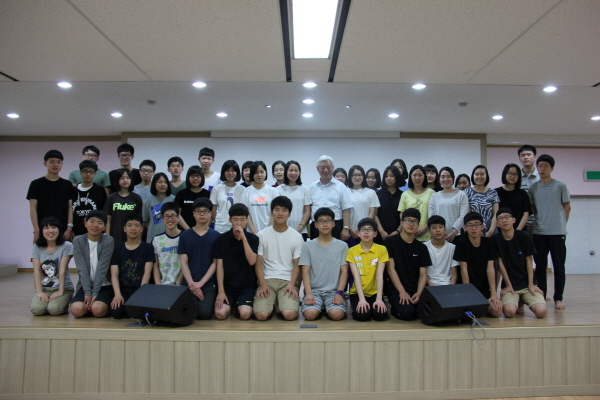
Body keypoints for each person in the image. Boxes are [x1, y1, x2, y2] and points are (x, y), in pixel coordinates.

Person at [529, 154, 571, 310]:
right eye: (540, 166)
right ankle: (542, 295)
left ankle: (558, 298)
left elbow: (567, 207)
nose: (542, 169)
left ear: (552, 168)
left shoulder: (560, 186)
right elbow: (533, 208)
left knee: (559, 267)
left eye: (546, 166)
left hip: (557, 233)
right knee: (540, 267)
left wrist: (561, 224)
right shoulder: (533, 188)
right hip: (539, 232)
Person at [253, 196, 304, 321]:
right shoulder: (261, 235)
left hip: (287, 280)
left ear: (289, 214)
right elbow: (258, 264)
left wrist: (292, 284)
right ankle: (273, 303)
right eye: (277, 209)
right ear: (271, 212)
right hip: (267, 280)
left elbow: (297, 265)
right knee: (261, 315)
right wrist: (263, 284)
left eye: (284, 210)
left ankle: (281, 303)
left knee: (289, 314)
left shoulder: (297, 237)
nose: (280, 213)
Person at [493, 208, 546, 318]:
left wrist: (531, 284)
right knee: (509, 312)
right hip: (511, 285)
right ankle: (518, 300)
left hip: (527, 284)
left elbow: (529, 261)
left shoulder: (524, 236)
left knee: (541, 312)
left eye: (507, 217)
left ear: (514, 220)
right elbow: (500, 263)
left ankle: (524, 299)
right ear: (497, 223)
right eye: (501, 218)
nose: (504, 220)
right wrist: (508, 285)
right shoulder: (495, 239)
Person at [301, 207, 348, 321]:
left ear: (333, 223)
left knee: (336, 314)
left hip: (334, 291)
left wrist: (339, 293)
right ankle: (320, 307)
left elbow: (344, 271)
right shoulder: (307, 246)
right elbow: (305, 271)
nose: (325, 224)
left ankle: (327, 307)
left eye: (328, 221)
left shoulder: (342, 246)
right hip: (314, 291)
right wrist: (309, 294)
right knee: (310, 314)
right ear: (316, 225)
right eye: (321, 221)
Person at [384, 208, 431, 321]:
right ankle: (395, 309)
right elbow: (390, 269)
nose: (411, 224)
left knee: (426, 312)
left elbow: (423, 275)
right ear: (402, 223)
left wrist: (419, 293)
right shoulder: (390, 242)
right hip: (396, 288)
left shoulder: (422, 248)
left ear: (418, 225)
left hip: (414, 288)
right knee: (407, 313)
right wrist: (402, 292)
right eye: (408, 220)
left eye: (415, 221)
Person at [214, 203, 259, 320]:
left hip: (247, 286)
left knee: (245, 314)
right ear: (230, 220)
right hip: (227, 287)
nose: (239, 223)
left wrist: (243, 238)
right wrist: (221, 291)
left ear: (247, 220)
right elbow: (219, 266)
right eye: (235, 219)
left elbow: (252, 261)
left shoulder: (253, 239)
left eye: (242, 219)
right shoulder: (221, 239)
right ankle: (232, 304)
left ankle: (238, 305)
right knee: (220, 314)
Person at [453, 212, 503, 317]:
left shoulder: (489, 243)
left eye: (477, 225)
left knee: (497, 311)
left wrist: (494, 294)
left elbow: (490, 268)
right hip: (467, 288)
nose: (474, 228)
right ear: (465, 228)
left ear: (482, 227)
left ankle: (478, 308)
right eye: (470, 225)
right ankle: (477, 307)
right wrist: (468, 293)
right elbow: (464, 270)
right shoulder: (461, 243)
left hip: (484, 288)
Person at [178, 198, 220, 320]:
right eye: (198, 211)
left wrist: (200, 284)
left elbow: (215, 263)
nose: (202, 214)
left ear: (210, 213)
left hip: (208, 284)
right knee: (188, 311)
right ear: (193, 214)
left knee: (205, 313)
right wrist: (192, 284)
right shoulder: (185, 236)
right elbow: (183, 262)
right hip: (189, 283)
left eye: (205, 211)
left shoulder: (216, 236)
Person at [70, 211, 115, 318]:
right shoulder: (78, 240)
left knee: (97, 310)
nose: (95, 225)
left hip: (104, 285)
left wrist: (94, 294)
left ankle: (96, 306)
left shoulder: (108, 240)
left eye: (100, 223)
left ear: (104, 227)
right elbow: (82, 269)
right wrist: (87, 292)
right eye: (92, 221)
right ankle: (88, 306)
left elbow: (102, 269)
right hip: (85, 285)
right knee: (76, 310)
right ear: (85, 223)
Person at [109, 214, 154, 319]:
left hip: (140, 289)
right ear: (124, 229)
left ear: (142, 229)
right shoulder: (118, 249)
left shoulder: (148, 248)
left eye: (136, 225)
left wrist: (140, 294)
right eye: (129, 225)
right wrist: (117, 294)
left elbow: (147, 272)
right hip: (124, 290)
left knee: (142, 313)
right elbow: (114, 274)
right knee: (116, 313)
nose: (133, 228)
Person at [30, 216, 74, 316]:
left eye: (54, 227)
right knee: (37, 310)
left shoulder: (67, 246)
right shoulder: (37, 247)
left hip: (64, 287)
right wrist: (39, 292)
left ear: (59, 229)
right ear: (42, 231)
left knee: (54, 310)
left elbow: (62, 270)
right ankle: (43, 303)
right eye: (46, 228)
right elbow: (36, 271)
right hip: (44, 288)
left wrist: (60, 291)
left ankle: (60, 303)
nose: (50, 231)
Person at [27, 149, 74, 243]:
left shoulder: (67, 184)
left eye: (58, 162)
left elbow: (70, 207)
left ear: (62, 164)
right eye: (52, 162)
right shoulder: (36, 184)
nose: (55, 165)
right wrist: (37, 230)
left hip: (63, 230)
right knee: (41, 252)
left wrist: (69, 228)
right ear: (45, 163)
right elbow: (33, 208)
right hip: (43, 229)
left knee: (64, 252)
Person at [346, 218, 388, 321]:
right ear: (358, 233)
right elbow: (356, 276)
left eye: (369, 229)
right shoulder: (352, 251)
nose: (366, 232)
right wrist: (361, 299)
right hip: (357, 292)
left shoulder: (382, 249)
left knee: (380, 316)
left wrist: (379, 299)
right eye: (363, 229)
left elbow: (380, 275)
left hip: (375, 292)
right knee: (362, 316)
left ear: (375, 234)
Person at [308, 156, 353, 241]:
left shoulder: (341, 187)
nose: (326, 170)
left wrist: (346, 228)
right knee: (316, 249)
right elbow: (308, 209)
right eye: (322, 167)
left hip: (335, 226)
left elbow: (346, 209)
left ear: (333, 168)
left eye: (328, 167)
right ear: (317, 169)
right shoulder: (311, 187)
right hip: (316, 226)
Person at [103, 169, 143, 247]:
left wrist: (139, 237)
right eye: (122, 178)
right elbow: (108, 218)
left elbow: (139, 219)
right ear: (117, 180)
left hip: (132, 235)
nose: (125, 180)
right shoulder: (111, 198)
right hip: (115, 235)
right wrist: (107, 236)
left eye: (128, 178)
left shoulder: (136, 198)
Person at [428, 166, 469, 243]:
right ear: (439, 179)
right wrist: (439, 232)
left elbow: (463, 215)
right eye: (443, 177)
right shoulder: (434, 196)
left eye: (448, 176)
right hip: (438, 235)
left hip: (457, 235)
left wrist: (454, 232)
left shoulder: (461, 195)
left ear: (453, 178)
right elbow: (431, 216)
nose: (445, 179)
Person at [241, 161, 280, 234]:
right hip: (251, 233)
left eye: (262, 172)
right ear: (252, 174)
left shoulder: (273, 191)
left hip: (270, 232)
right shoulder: (246, 192)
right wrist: (254, 232)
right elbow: (245, 213)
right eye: (256, 172)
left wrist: (268, 231)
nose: (259, 175)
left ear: (266, 173)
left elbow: (276, 212)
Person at [398, 165, 434, 241]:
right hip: (409, 235)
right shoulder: (405, 194)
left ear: (424, 177)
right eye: (414, 175)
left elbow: (434, 213)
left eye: (420, 175)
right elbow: (402, 213)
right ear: (410, 177)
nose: (417, 178)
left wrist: (425, 228)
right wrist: (409, 227)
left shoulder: (431, 193)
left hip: (427, 235)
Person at [72, 160, 108, 237]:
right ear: (80, 172)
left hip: (95, 231)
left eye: (91, 172)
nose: (88, 174)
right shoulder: (73, 190)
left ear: (95, 173)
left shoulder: (100, 190)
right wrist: (70, 229)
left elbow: (104, 211)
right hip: (76, 231)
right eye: (85, 171)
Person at [276, 160, 311, 240]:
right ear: (286, 172)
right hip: (282, 230)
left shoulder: (304, 189)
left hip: (301, 231)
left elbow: (307, 211)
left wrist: (300, 227)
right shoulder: (278, 189)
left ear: (299, 172)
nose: (293, 173)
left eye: (296, 171)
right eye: (291, 170)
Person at [347, 165, 380, 246]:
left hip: (366, 233)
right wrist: (350, 229)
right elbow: (344, 213)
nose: (357, 178)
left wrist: (363, 230)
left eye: (360, 175)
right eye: (355, 175)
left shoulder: (370, 192)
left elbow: (372, 213)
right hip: (351, 232)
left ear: (363, 177)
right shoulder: (345, 192)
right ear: (350, 177)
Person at [210, 160, 246, 233]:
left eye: (233, 171)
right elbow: (213, 208)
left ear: (237, 172)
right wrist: (217, 221)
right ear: (223, 172)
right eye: (227, 170)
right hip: (220, 227)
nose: (230, 173)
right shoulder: (217, 188)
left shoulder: (242, 189)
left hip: (238, 226)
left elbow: (245, 210)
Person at [464, 165, 500, 238]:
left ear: (486, 176)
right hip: (473, 230)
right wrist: (477, 230)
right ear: (473, 176)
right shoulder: (466, 192)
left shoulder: (493, 193)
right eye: (477, 174)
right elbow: (467, 214)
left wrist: (490, 231)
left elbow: (496, 214)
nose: (479, 177)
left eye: (482, 174)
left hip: (490, 229)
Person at [152, 202, 183, 285]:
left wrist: (178, 283)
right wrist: (158, 284)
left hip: (180, 285)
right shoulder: (156, 239)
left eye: (173, 216)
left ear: (178, 217)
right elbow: (155, 265)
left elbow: (187, 263)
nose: (170, 219)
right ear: (162, 218)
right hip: (162, 286)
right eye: (166, 216)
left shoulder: (185, 237)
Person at [495, 163, 532, 231]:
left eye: (515, 174)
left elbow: (526, 214)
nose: (512, 176)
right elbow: (495, 213)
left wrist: (517, 231)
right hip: (501, 231)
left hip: (520, 230)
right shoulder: (496, 192)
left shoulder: (522, 193)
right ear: (505, 174)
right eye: (510, 173)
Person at [424, 216, 458, 286]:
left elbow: (454, 274)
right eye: (434, 228)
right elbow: (423, 273)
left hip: (448, 285)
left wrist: (451, 288)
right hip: (430, 285)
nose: (438, 230)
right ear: (429, 231)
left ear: (445, 229)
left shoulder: (452, 248)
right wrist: (433, 288)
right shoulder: (424, 247)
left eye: (440, 227)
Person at [142, 172, 175, 243]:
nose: (163, 184)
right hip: (153, 237)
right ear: (154, 184)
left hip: (171, 237)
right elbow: (145, 222)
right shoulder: (148, 201)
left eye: (165, 182)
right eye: (159, 182)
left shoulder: (173, 199)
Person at [174, 166, 211, 230]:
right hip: (184, 231)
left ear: (202, 178)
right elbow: (177, 214)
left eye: (198, 176)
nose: (195, 178)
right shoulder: (181, 194)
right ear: (188, 177)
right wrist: (189, 231)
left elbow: (210, 214)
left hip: (203, 230)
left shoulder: (208, 194)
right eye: (193, 176)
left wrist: (203, 229)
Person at [375, 165, 404, 240]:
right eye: (386, 176)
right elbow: (374, 214)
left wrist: (398, 231)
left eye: (392, 176)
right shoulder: (377, 194)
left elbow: (404, 216)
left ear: (397, 177)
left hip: (398, 234)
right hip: (379, 234)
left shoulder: (403, 195)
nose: (388, 178)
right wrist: (381, 231)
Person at [518, 145, 539, 233]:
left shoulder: (541, 177)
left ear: (535, 157)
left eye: (528, 154)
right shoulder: (516, 177)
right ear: (519, 159)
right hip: (520, 222)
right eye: (523, 155)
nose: (526, 157)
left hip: (539, 222)